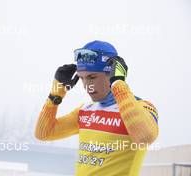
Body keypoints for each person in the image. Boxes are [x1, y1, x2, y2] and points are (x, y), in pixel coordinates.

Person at [35, 40, 159, 176]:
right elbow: (44, 134)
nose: (87, 86)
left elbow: (145, 138)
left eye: (92, 77)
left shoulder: (141, 107)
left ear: (112, 73)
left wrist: (119, 84)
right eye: (82, 79)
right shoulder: (85, 110)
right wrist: (55, 95)